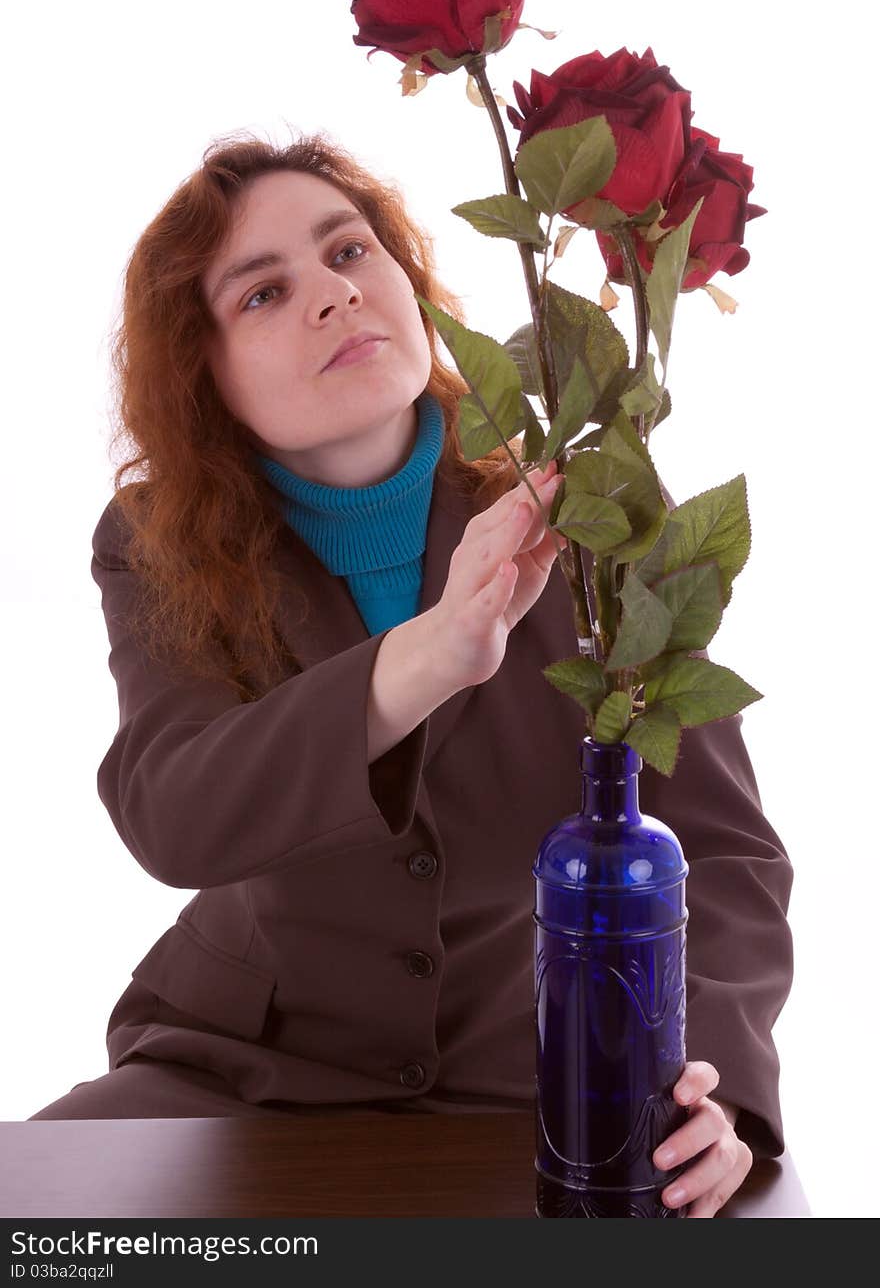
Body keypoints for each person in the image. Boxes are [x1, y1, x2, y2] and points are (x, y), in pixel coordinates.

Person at [28, 132, 794, 1218]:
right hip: (242, 1069)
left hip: (546, 1081)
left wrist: (712, 1084)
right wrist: (427, 655)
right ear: (203, 372)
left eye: (349, 252)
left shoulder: (588, 503)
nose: (332, 297)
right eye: (262, 294)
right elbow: (176, 812)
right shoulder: (153, 538)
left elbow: (721, 853)